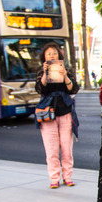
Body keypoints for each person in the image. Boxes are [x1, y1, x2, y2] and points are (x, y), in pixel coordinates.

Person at [34, 42, 80, 188]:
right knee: (51, 149)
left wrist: (65, 76)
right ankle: (54, 178)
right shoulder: (41, 71)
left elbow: (73, 89)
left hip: (65, 112)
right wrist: (44, 74)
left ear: (59, 55)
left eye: (54, 53)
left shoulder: (66, 69)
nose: (52, 56)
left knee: (67, 148)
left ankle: (68, 176)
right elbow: (39, 89)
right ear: (44, 57)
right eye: (48, 54)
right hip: (48, 113)